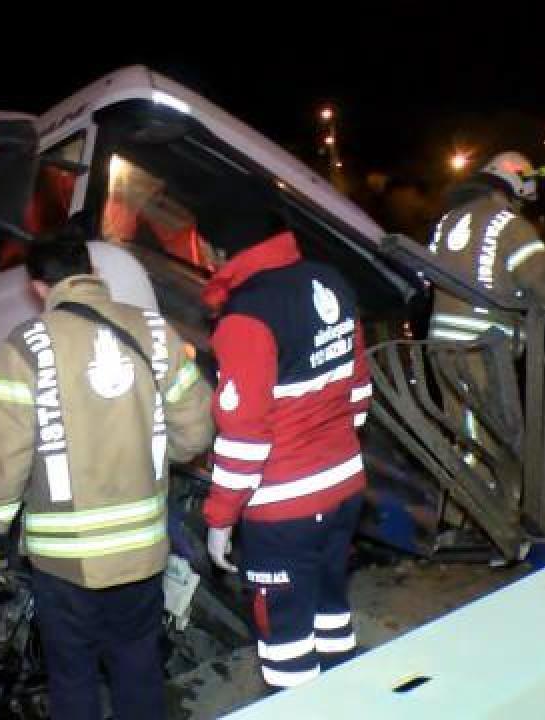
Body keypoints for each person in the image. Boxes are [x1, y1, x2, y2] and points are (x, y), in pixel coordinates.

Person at [0, 230, 212, 720]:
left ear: (38, 287)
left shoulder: (25, 347)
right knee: (138, 663)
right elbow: (196, 429)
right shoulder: (154, 330)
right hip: (141, 550)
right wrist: (149, 452)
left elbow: (6, 459)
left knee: (72, 674)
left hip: (65, 559)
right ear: (93, 271)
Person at [199, 180, 372, 690]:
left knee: (286, 644)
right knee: (331, 612)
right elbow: (358, 390)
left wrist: (219, 517)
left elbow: (244, 437)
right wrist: (330, 449)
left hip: (284, 509)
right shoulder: (331, 280)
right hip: (344, 489)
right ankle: (351, 697)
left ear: (222, 248)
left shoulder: (245, 315)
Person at [428, 150, 545, 463]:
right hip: (482, 348)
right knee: (485, 442)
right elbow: (543, 281)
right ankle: (485, 508)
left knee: (465, 433)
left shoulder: (450, 220)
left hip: (442, 344)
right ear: (514, 184)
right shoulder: (508, 224)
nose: (522, 206)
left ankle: (463, 508)